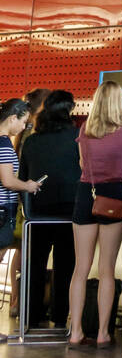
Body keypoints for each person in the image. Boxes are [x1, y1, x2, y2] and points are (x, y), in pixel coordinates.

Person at [68, 81, 122, 348]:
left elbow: (82, 164)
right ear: (118, 101)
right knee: (106, 268)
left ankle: (75, 332)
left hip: (86, 194)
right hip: (113, 195)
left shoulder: (85, 129)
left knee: (80, 269)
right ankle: (103, 333)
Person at [18, 90, 80, 330]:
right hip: (69, 210)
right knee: (66, 266)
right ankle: (60, 316)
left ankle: (30, 316)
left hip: (37, 211)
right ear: (68, 111)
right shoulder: (77, 137)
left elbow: (23, 178)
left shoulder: (32, 140)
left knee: (34, 266)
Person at [0, 99, 43, 344]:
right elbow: (7, 180)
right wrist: (27, 185)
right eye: (24, 122)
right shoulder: (5, 145)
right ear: (13, 117)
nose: (24, 128)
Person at [7, 88, 49, 318]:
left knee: (18, 250)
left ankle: (15, 299)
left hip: (19, 196)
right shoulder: (34, 132)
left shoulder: (23, 131)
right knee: (22, 250)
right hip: (27, 196)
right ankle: (18, 300)